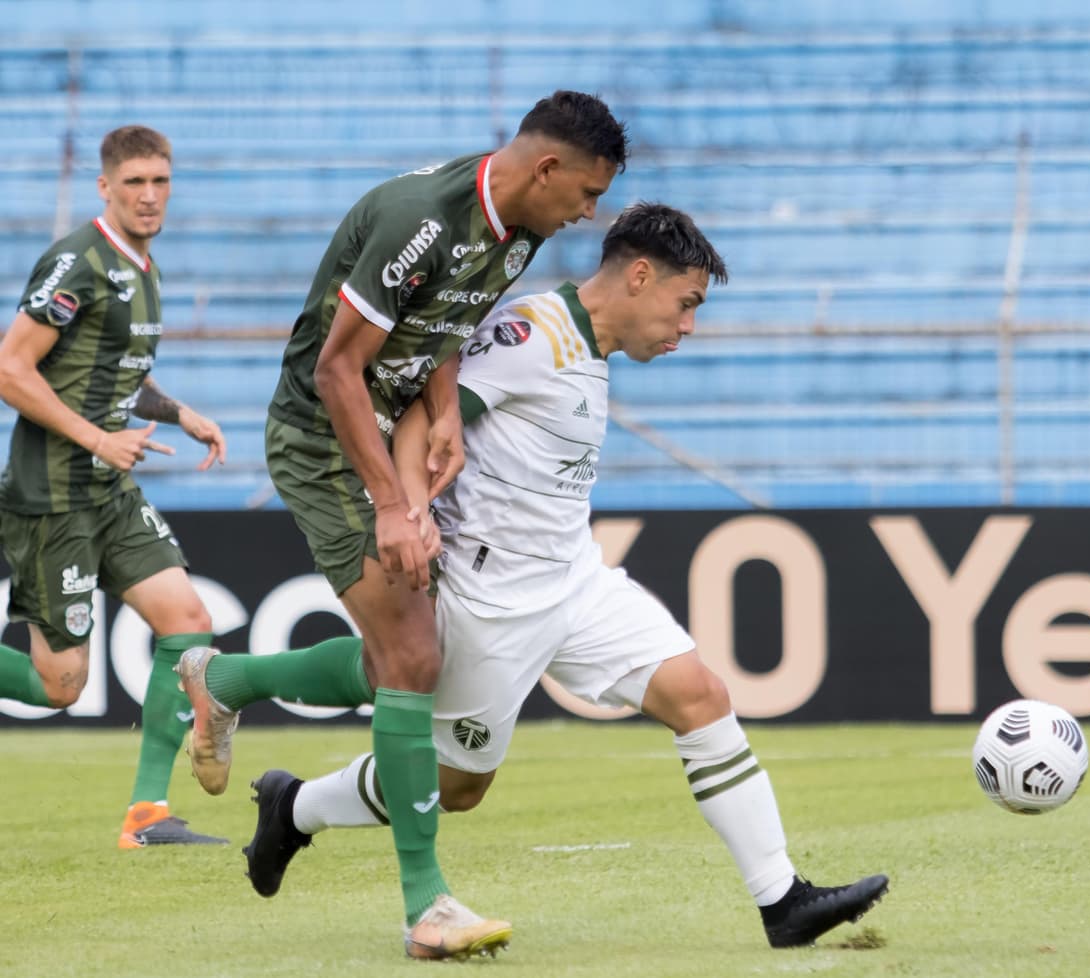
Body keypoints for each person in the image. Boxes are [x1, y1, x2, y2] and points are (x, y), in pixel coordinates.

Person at [231, 202, 890, 948]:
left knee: (698, 693)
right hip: (495, 597)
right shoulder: (528, 336)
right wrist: (410, 512)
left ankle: (783, 902)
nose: (688, 327)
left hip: (576, 580)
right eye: (686, 303)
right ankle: (295, 808)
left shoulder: (590, 347)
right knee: (458, 787)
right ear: (640, 276)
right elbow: (421, 419)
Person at [175, 90, 628, 961]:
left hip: (393, 421)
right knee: (416, 656)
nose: (589, 214)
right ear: (547, 169)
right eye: (586, 193)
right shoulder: (420, 217)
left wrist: (447, 409)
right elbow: (338, 369)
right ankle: (427, 904)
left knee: (414, 652)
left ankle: (225, 680)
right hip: (323, 434)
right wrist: (391, 502)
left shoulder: (520, 230)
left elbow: (447, 322)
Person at [0, 125, 229, 849]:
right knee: (61, 687)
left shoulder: (143, 264)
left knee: (189, 623)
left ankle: (147, 817)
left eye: (161, 180)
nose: (150, 195)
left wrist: (176, 411)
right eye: (135, 182)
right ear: (106, 187)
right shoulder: (78, 261)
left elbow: (110, 368)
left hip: (109, 489)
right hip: (55, 496)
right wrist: (99, 438)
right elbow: (11, 368)